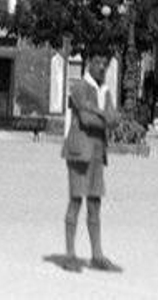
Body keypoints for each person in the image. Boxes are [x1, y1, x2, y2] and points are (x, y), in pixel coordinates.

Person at [60, 53, 119, 273]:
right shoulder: (79, 88)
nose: (102, 68)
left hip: (97, 153)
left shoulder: (105, 91)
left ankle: (97, 255)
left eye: (105, 64)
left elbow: (115, 120)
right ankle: (70, 254)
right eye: (99, 63)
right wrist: (104, 115)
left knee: (95, 203)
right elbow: (86, 120)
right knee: (75, 201)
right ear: (89, 64)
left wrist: (98, 111)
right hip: (79, 152)